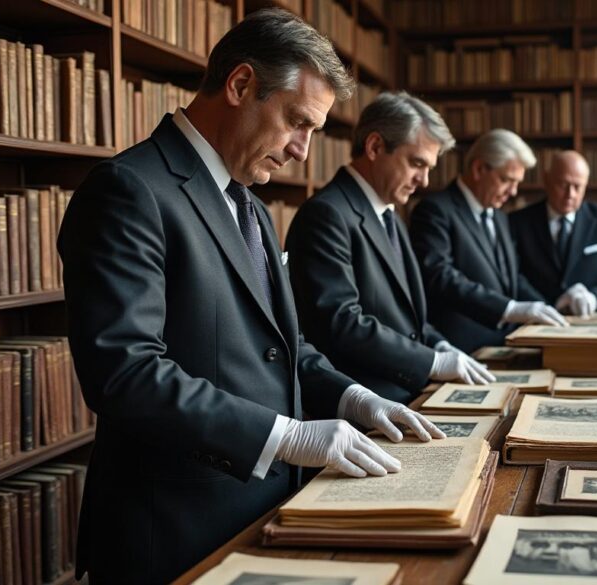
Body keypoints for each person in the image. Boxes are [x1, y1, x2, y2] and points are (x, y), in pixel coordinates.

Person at [57, 11, 442, 583]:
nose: (303, 152)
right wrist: (286, 435)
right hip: (172, 530)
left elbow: (283, 348)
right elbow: (125, 373)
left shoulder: (252, 205)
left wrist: (353, 397)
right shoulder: (128, 190)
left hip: (261, 508)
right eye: (296, 122)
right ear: (240, 86)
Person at [287, 92, 494, 404]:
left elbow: (408, 319)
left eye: (429, 168)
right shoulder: (327, 214)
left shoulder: (390, 213)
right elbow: (340, 322)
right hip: (365, 405)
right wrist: (432, 362)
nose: (423, 181)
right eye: (416, 163)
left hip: (406, 392)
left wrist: (440, 346)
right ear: (374, 147)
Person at [410, 129, 568, 353]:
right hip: (461, 350)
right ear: (479, 169)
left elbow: (512, 278)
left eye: (517, 183)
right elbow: (439, 275)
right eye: (506, 180)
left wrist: (547, 309)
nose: (513, 192)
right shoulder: (435, 210)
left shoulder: (500, 216)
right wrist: (509, 309)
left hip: (505, 344)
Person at [509, 150, 597, 317]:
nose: (571, 194)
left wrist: (594, 298)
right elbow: (512, 275)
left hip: (591, 321)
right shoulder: (517, 222)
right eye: (563, 185)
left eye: (577, 186)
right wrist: (546, 307)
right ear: (546, 180)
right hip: (536, 321)